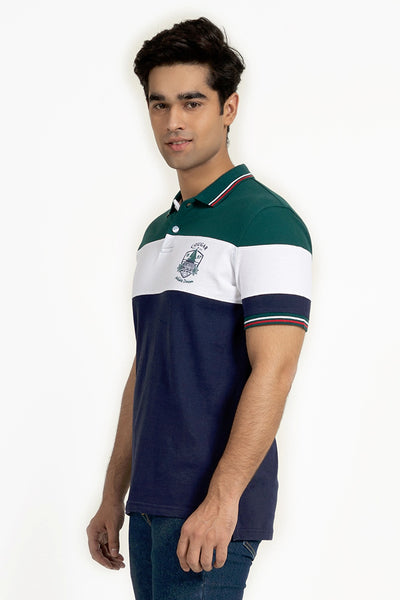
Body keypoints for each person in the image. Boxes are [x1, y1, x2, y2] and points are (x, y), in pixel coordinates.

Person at [87, 16, 312, 600]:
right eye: (159, 105)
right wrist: (113, 494)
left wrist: (222, 498)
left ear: (228, 107)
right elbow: (146, 367)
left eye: (192, 102)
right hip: (150, 502)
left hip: (210, 509)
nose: (174, 122)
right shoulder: (156, 234)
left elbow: (276, 369)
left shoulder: (267, 222)